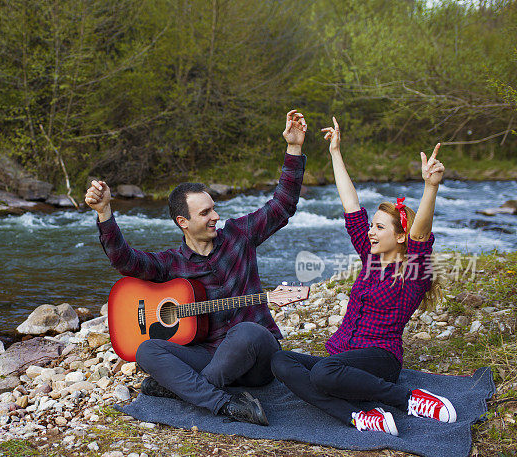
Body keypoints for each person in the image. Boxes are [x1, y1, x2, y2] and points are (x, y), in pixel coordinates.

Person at [85, 110, 308, 425]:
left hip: (256, 357)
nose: (215, 216)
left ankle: (185, 390)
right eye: (205, 213)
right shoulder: (171, 264)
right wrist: (105, 212)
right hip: (208, 356)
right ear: (183, 222)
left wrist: (294, 148)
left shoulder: (240, 234)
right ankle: (225, 405)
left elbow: (283, 204)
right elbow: (126, 260)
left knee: (246, 332)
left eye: (214, 208)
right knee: (148, 351)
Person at [270, 117, 456, 436]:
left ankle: (409, 400)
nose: (370, 231)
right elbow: (351, 204)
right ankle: (359, 417)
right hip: (343, 358)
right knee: (280, 362)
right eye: (372, 226)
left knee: (324, 372)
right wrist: (335, 151)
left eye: (379, 228)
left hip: (380, 359)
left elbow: (422, 231)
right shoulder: (370, 257)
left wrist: (431, 187)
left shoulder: (412, 270)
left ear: (401, 237)